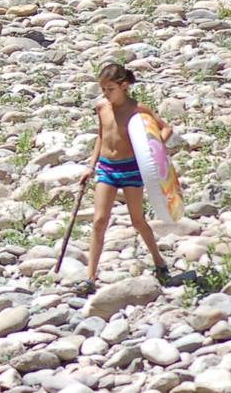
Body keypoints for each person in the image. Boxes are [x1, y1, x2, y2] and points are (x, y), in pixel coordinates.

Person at [76, 63, 174, 294]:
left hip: (132, 169)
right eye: (103, 90)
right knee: (99, 220)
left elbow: (166, 129)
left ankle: (159, 261)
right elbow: (102, 136)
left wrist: (156, 150)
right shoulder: (102, 107)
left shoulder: (138, 110)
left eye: (110, 89)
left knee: (137, 220)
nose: (106, 95)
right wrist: (90, 166)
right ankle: (90, 276)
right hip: (107, 168)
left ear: (124, 85)